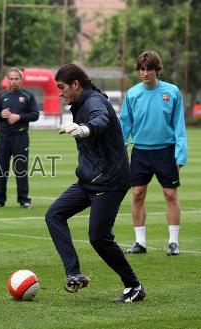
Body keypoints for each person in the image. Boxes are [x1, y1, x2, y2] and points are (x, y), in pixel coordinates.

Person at [45, 64, 145, 303]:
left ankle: (134, 286)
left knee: (99, 237)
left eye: (62, 87)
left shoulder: (93, 102)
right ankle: (74, 273)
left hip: (110, 181)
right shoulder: (80, 102)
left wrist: (84, 129)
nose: (60, 93)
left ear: (76, 85)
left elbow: (100, 121)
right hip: (90, 179)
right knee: (54, 214)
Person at [119, 51, 187, 256]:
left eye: (149, 69)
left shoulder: (172, 92)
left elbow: (179, 126)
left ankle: (173, 242)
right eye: (142, 69)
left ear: (157, 70)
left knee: (170, 194)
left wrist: (180, 155)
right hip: (140, 152)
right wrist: (120, 151)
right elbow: (125, 124)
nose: (145, 73)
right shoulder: (132, 94)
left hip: (166, 152)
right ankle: (140, 242)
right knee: (138, 194)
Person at [0, 67, 39, 209]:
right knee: (1, 169)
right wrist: (1, 115)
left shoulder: (28, 95)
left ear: (21, 80)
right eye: (11, 79)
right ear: (8, 80)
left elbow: (35, 115)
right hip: (4, 137)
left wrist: (19, 117)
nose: (14, 81)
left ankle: (24, 199)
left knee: (21, 169)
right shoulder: (2, 96)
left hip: (21, 137)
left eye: (16, 79)